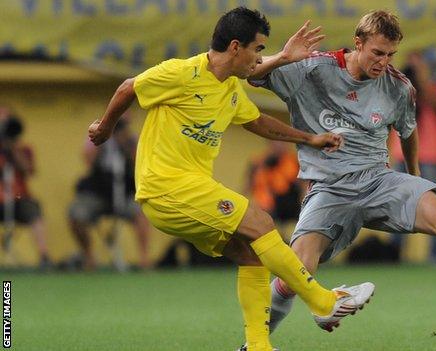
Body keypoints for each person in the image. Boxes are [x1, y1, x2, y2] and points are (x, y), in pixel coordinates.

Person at [248, 10, 436, 334]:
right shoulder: (312, 69)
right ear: (358, 43)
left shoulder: (398, 87)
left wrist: (415, 175)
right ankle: (254, 342)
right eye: (377, 53)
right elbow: (251, 74)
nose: (383, 62)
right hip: (329, 187)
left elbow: (408, 132)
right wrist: (282, 57)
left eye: (391, 54)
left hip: (379, 179)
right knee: (296, 271)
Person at [86, 7, 374, 351]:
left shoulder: (229, 89)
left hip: (186, 194)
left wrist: (309, 138)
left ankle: (257, 346)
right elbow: (128, 87)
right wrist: (105, 128)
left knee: (250, 254)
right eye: (258, 48)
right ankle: (323, 302)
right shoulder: (181, 73)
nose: (259, 57)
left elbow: (258, 122)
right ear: (235, 47)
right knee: (261, 222)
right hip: (165, 189)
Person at [68, 117, 151, 270]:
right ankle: (89, 256)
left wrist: (125, 144)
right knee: (76, 214)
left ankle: (144, 259)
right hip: (99, 192)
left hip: (125, 192)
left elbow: (140, 163)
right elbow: (88, 160)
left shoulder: (132, 140)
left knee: (142, 213)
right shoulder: (97, 136)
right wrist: (103, 138)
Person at [401, 50, 436, 263]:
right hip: (400, 153)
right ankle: (395, 256)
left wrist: (422, 77)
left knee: (433, 206)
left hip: (429, 154)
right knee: (395, 205)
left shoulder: (435, 88)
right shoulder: (397, 87)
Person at [0, 108, 51, 269]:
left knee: (34, 211)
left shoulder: (24, 149)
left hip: (19, 199)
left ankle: (44, 256)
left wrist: (12, 149)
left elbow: (28, 170)